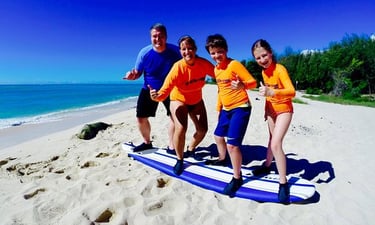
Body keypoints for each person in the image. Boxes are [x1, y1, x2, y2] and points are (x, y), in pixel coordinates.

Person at [149, 35, 215, 175]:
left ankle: (190, 149)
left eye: (190, 48)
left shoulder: (203, 64)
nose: (187, 52)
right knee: (181, 128)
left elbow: (220, 75)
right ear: (180, 51)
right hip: (179, 99)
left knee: (202, 130)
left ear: (195, 49)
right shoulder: (177, 68)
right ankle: (180, 159)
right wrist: (155, 97)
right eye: (184, 49)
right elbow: (164, 91)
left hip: (196, 100)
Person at [205, 34, 257, 197]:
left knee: (232, 145)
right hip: (226, 109)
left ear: (226, 50)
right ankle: (222, 159)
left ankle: (237, 177)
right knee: (218, 136)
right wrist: (219, 107)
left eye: (219, 52)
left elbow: (253, 82)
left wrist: (243, 85)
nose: (216, 56)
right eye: (213, 53)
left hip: (241, 107)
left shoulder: (234, 65)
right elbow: (221, 89)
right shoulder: (216, 69)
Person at [123, 23, 181, 153]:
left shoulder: (175, 51)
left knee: (174, 116)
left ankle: (171, 146)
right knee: (141, 118)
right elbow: (137, 73)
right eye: (154, 36)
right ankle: (147, 143)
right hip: (149, 89)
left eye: (161, 36)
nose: (158, 39)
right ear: (150, 37)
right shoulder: (144, 53)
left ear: (166, 37)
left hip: (170, 89)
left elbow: (186, 65)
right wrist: (132, 76)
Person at [251, 39, 296, 204]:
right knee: (271, 140)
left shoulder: (280, 69)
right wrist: (266, 111)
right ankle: (267, 165)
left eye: (264, 55)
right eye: (258, 58)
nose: (262, 60)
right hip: (271, 110)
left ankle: (283, 183)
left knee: (276, 144)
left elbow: (292, 92)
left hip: (284, 110)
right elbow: (268, 96)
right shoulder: (263, 72)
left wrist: (272, 91)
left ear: (270, 53)